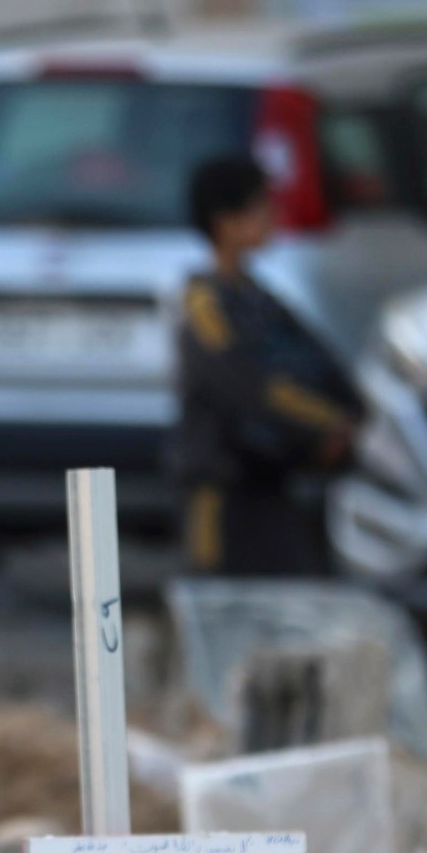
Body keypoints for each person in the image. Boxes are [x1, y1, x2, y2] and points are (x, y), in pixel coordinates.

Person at [168, 154, 362, 578]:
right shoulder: (206, 305)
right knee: (216, 607)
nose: (274, 216)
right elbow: (250, 386)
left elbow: (321, 361)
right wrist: (327, 422)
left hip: (271, 481)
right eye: (261, 206)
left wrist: (352, 411)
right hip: (221, 491)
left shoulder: (258, 298)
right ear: (226, 223)